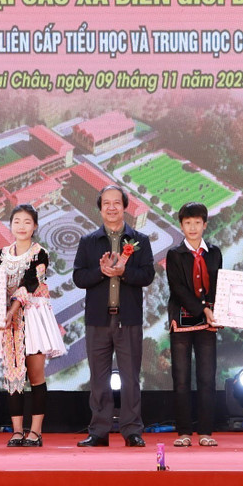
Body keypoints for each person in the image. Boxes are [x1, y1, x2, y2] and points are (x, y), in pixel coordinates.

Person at [74, 185, 155, 448]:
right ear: (100, 208)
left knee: (131, 377)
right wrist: (101, 272)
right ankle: (98, 431)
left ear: (124, 207)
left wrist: (123, 272)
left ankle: (132, 430)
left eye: (116, 203)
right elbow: (78, 278)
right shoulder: (88, 242)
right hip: (98, 319)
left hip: (128, 318)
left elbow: (147, 276)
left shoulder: (139, 240)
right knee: (98, 377)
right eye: (106, 203)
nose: (111, 208)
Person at [0, 204, 66, 447]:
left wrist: (11, 310)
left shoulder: (39, 253)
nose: (21, 226)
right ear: (10, 225)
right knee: (12, 375)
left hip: (31, 316)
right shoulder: (1, 254)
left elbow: (30, 283)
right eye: (17, 221)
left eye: (27, 222)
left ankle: (36, 431)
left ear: (35, 226)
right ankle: (17, 431)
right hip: (7, 321)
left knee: (34, 375)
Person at [166, 202, 222, 447]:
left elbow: (220, 283)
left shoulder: (215, 252)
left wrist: (218, 310)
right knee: (181, 378)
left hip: (208, 321)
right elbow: (177, 289)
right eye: (187, 223)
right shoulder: (174, 254)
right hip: (182, 320)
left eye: (197, 223)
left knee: (207, 377)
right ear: (181, 225)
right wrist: (204, 309)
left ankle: (206, 431)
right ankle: (184, 432)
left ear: (205, 225)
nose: (192, 227)